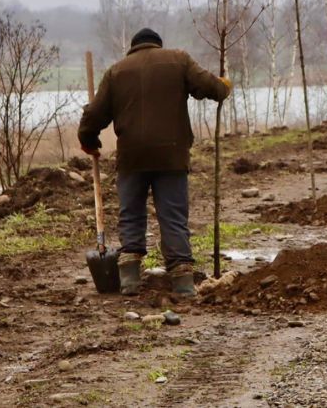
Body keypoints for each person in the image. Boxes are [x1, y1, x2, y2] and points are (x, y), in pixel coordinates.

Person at [77, 28, 231, 297]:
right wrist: (223, 87)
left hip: (132, 157)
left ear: (133, 48)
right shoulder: (179, 60)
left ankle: (129, 282)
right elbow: (209, 87)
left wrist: (89, 141)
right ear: (158, 45)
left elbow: (95, 115)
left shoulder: (116, 71)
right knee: (173, 216)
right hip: (172, 155)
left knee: (131, 214)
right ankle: (183, 282)